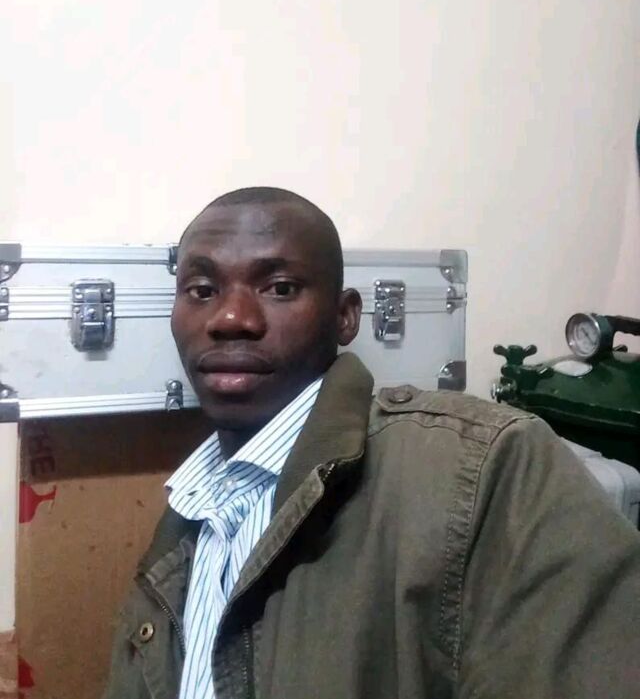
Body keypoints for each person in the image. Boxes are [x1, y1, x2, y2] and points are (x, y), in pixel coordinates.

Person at [103, 187, 640, 699]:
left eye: (280, 288)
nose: (230, 318)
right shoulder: (189, 507)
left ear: (345, 317)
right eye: (202, 290)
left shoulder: (487, 470)